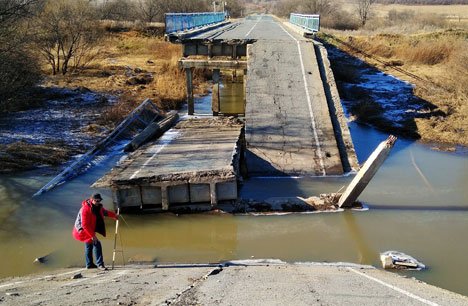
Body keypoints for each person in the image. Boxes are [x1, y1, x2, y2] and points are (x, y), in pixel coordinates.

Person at [72, 193, 118, 270]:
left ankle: (89, 265)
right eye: (96, 200)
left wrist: (114, 216)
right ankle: (100, 264)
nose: (98, 202)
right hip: (82, 231)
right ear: (92, 200)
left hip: (89, 229)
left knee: (89, 246)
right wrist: (93, 236)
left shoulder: (98, 207)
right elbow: (84, 225)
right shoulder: (85, 209)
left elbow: (104, 212)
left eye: (99, 200)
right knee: (97, 243)